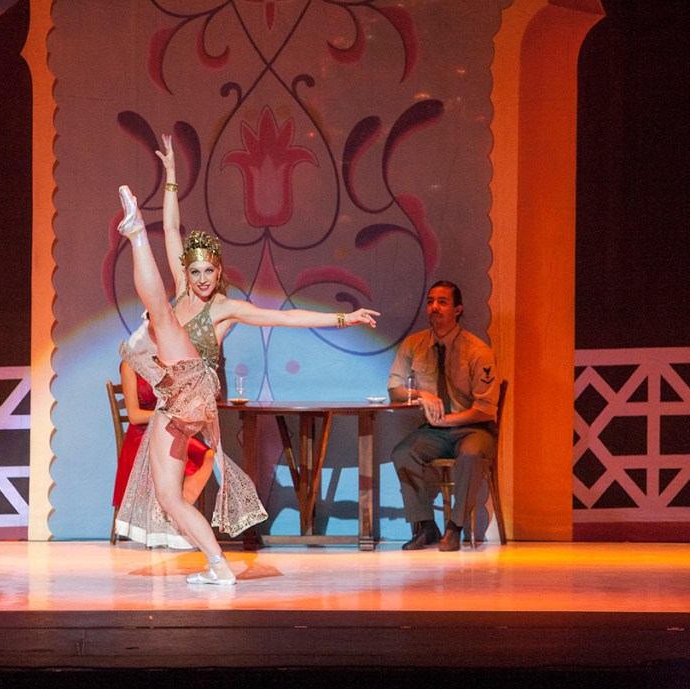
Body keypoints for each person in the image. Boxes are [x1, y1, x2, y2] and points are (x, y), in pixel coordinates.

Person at [114, 133, 381, 584]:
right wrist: (172, 176)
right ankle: (219, 566)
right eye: (194, 271)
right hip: (172, 400)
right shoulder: (182, 292)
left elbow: (286, 317)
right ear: (188, 272)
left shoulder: (224, 308)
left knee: (159, 315)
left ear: (219, 271)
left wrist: (344, 318)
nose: (201, 278)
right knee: (168, 497)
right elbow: (174, 230)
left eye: (208, 271)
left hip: (196, 387)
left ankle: (135, 233)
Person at [387, 281, 500, 552]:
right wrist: (421, 395)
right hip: (435, 432)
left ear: (457, 310)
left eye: (442, 302)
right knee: (403, 453)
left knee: (471, 455)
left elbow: (485, 409)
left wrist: (447, 420)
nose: (434, 307)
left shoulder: (477, 351)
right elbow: (394, 389)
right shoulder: (415, 344)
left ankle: (455, 527)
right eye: (430, 302)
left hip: (474, 429)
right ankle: (426, 526)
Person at [114, 360, 214, 511]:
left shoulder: (168, 361)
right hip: (142, 435)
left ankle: (178, 515)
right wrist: (170, 416)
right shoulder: (130, 365)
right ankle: (176, 515)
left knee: (206, 455)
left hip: (168, 431)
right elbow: (134, 416)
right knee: (172, 454)